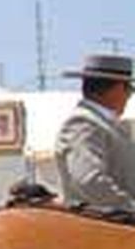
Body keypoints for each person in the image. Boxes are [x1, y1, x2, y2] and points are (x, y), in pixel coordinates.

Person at [54, 53, 135, 211]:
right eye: (130, 89)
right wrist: (130, 207)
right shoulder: (83, 123)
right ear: (118, 89)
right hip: (103, 225)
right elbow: (89, 180)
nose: (129, 96)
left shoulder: (105, 125)